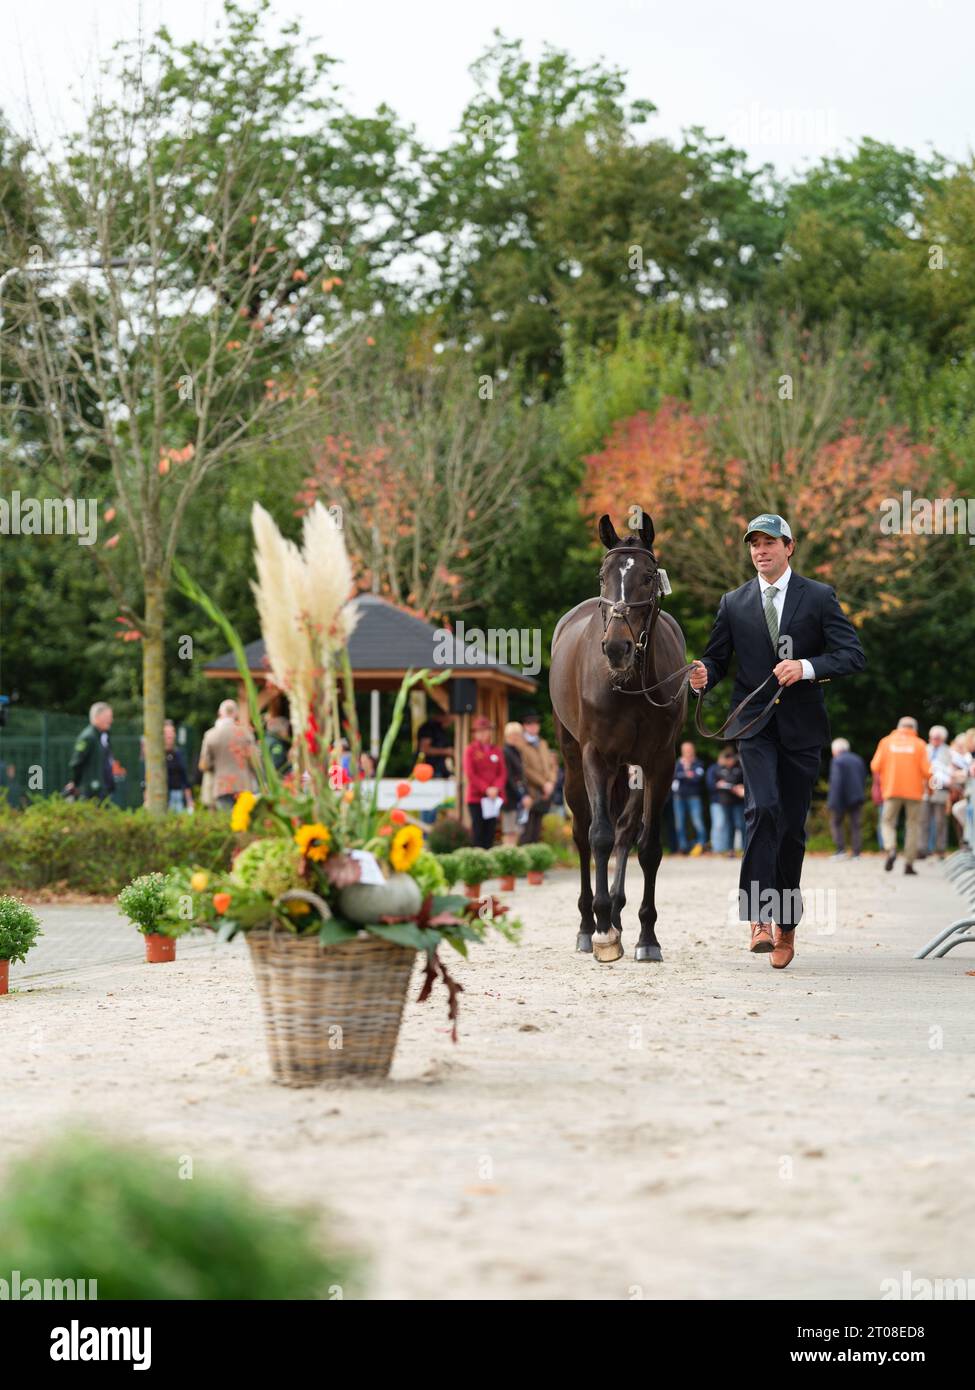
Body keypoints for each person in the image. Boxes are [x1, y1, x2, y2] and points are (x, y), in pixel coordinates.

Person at [690, 512, 866, 970]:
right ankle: (760, 918)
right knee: (761, 808)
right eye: (754, 544)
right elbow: (717, 658)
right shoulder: (733, 602)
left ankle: (787, 926)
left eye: (770, 542)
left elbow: (852, 655)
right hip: (754, 726)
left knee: (790, 827)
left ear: (790, 547)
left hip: (803, 729)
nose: (761, 551)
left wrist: (806, 667)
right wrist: (704, 675)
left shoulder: (820, 596)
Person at [869, 717, 931, 875]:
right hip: (914, 792)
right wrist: (932, 788)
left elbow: (875, 765)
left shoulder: (886, 742)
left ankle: (891, 849)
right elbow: (927, 771)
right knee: (913, 826)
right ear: (914, 728)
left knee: (887, 822)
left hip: (892, 789)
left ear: (898, 727)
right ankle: (909, 864)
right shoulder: (920, 744)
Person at [198, 699, 258, 811]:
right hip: (244, 784)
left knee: (226, 820)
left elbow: (203, 765)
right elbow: (255, 762)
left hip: (222, 786)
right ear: (236, 714)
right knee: (243, 818)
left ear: (220, 713)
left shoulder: (210, 735)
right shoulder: (245, 733)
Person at [513, 712, 558, 846]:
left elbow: (552, 766)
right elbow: (525, 769)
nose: (533, 727)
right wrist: (544, 783)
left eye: (535, 724)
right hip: (531, 791)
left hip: (545, 791)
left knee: (537, 828)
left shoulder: (543, 743)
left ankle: (535, 861)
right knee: (527, 828)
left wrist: (551, 782)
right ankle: (524, 859)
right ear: (524, 726)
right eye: (530, 724)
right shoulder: (521, 745)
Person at [463, 715, 506, 850]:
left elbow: (502, 772)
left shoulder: (496, 750)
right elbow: (471, 774)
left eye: (486, 730)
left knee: (490, 830)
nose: (483, 734)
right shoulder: (471, 750)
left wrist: (496, 788)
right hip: (477, 798)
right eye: (479, 731)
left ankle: (488, 861)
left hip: (492, 798)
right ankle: (477, 860)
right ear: (475, 733)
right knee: (478, 830)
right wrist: (486, 788)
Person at [65, 702, 116, 802]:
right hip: (90, 792)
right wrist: (75, 782)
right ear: (97, 717)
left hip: (103, 790)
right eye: (108, 717)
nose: (111, 720)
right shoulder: (88, 737)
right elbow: (76, 762)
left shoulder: (104, 736)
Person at [826, 737, 866, 859]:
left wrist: (832, 801)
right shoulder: (857, 759)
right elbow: (863, 777)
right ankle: (856, 853)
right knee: (856, 825)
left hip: (840, 798)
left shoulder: (837, 761)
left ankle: (840, 850)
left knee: (836, 823)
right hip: (857, 796)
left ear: (836, 750)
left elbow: (836, 782)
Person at [918, 725, 953, 860]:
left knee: (940, 822)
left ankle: (940, 849)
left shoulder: (948, 752)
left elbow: (950, 771)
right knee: (923, 820)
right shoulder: (925, 750)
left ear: (942, 739)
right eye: (932, 738)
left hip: (940, 790)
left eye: (937, 738)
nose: (934, 740)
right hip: (925, 789)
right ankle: (922, 848)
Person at [706, 745, 744, 857]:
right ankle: (730, 850)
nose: (729, 761)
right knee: (728, 826)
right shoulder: (718, 769)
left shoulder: (740, 768)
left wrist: (740, 786)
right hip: (725, 802)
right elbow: (711, 784)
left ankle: (744, 848)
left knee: (741, 825)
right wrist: (720, 784)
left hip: (738, 802)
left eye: (731, 758)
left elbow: (744, 782)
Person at [672, 740, 707, 855]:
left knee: (698, 822)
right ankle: (683, 847)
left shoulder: (698, 763)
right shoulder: (677, 763)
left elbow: (697, 778)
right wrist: (688, 774)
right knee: (679, 823)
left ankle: (701, 845)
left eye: (689, 749)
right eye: (685, 750)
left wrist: (686, 770)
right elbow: (674, 777)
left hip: (694, 797)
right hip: (679, 797)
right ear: (682, 751)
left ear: (693, 750)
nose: (687, 752)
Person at [501, 721, 532, 846]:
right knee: (509, 830)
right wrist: (522, 795)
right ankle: (508, 855)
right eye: (513, 735)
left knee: (517, 830)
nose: (515, 737)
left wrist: (526, 794)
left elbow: (521, 776)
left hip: (519, 796)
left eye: (518, 735)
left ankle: (513, 856)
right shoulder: (505, 752)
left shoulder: (517, 752)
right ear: (507, 735)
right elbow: (508, 777)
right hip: (509, 796)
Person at [164, 720, 193, 813]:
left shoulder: (179, 754)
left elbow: (184, 778)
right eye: (167, 733)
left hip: (178, 795)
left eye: (172, 732)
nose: (170, 735)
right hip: (163, 795)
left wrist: (189, 801)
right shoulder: (157, 757)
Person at [415, 708, 454, 778]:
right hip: (428, 769)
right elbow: (424, 749)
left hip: (440, 769)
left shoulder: (442, 729)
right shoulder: (429, 727)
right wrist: (446, 751)